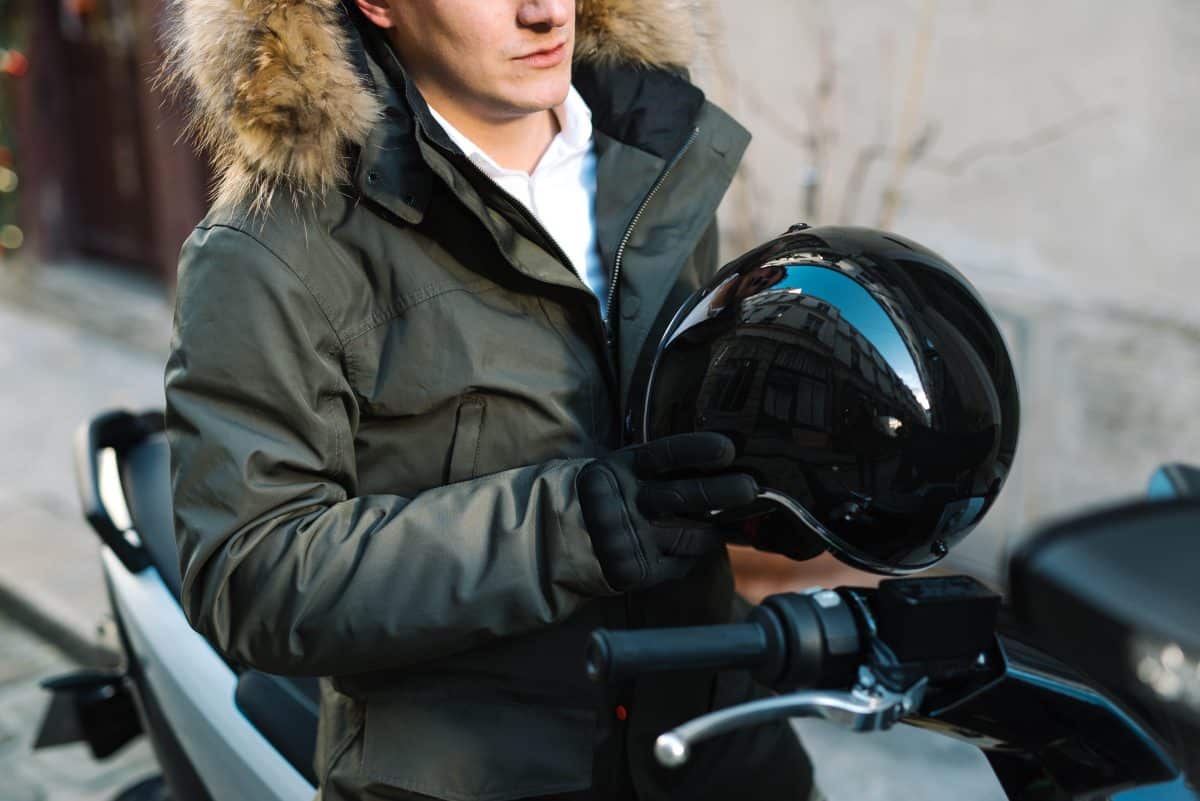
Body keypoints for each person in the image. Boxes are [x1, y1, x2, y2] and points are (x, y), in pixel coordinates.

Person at [162, 1, 818, 799]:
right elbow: (249, 570)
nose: (544, 12)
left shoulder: (652, 149)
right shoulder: (271, 248)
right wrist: (570, 528)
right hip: (471, 774)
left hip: (717, 737)